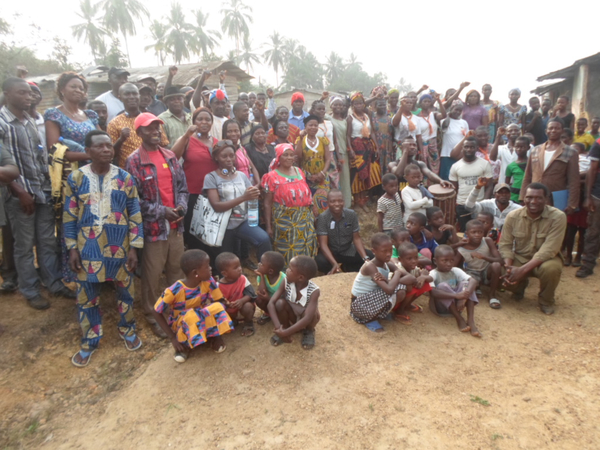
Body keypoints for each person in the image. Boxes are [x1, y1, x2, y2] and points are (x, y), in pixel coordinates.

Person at [64, 130, 144, 367]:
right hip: (87, 247)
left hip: (120, 248)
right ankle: (90, 339)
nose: (107, 150)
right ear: (88, 152)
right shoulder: (76, 179)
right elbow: (69, 216)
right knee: (87, 296)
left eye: (109, 146)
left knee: (125, 292)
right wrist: (72, 248)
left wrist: (134, 248)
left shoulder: (125, 178)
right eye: (100, 146)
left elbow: (135, 214)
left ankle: (127, 329)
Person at [1, 77, 75, 309]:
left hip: (41, 191)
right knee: (24, 246)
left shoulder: (30, 120)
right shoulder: (2, 123)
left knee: (47, 241)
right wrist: (20, 191)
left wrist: (48, 187)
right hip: (19, 194)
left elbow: (39, 157)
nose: (29, 97)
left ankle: (53, 283)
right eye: (22, 93)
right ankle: (30, 289)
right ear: (7, 94)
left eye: (30, 93)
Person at [125, 113, 188, 338]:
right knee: (152, 275)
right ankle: (153, 315)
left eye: (157, 127)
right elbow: (134, 200)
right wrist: (163, 212)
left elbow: (182, 188)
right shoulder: (134, 161)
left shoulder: (170, 155)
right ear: (139, 132)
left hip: (176, 226)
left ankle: (178, 309)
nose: (155, 131)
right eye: (149, 128)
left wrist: (180, 207)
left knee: (176, 270)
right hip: (154, 230)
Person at [153, 250, 233, 363]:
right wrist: (172, 338)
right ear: (195, 272)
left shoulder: (209, 281)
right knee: (190, 316)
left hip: (199, 313)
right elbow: (156, 311)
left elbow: (218, 300)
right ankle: (184, 345)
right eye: (207, 266)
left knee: (218, 307)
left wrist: (226, 303)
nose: (210, 268)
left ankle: (215, 336)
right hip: (182, 321)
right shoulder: (174, 290)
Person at [499, 183, 566, 315]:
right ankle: (519, 288)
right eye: (529, 197)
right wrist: (509, 268)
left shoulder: (558, 217)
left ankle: (546, 301)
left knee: (551, 269)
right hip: (520, 257)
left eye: (538, 198)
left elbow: (550, 249)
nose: (533, 201)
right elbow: (505, 244)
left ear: (546, 199)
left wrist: (522, 270)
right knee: (498, 271)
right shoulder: (513, 216)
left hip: (546, 260)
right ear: (524, 198)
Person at [203, 140, 271, 264]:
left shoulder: (241, 175)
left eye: (232, 155)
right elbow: (217, 206)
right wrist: (243, 197)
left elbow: (251, 195)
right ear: (216, 158)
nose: (229, 159)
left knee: (264, 239)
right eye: (224, 156)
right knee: (226, 261)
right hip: (223, 226)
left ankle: (266, 273)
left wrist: (257, 191)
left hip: (242, 222)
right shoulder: (211, 177)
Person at [170, 107, 218, 252]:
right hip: (192, 194)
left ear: (212, 123)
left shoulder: (216, 142)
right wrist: (186, 135)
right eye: (200, 119)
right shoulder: (187, 140)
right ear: (194, 121)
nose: (204, 122)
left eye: (207, 119)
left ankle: (211, 267)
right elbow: (172, 157)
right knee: (194, 233)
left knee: (211, 231)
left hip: (213, 194)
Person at [262, 144, 317, 265]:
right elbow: (267, 203)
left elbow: (306, 192)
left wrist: (313, 209)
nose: (289, 158)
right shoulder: (271, 176)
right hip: (284, 222)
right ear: (278, 157)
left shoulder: (299, 171)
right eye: (285, 155)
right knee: (287, 252)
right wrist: (268, 226)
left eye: (291, 155)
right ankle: (288, 278)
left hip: (304, 220)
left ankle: (304, 275)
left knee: (305, 250)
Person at [350, 233, 414, 332]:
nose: (388, 254)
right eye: (384, 251)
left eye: (390, 250)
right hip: (359, 304)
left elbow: (411, 278)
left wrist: (390, 280)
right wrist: (397, 273)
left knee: (402, 288)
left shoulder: (388, 264)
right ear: (374, 251)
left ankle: (379, 314)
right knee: (398, 287)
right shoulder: (370, 266)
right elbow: (389, 290)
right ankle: (370, 320)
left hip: (372, 299)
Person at [520, 119, 579, 213]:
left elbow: (574, 180)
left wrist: (572, 204)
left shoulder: (570, 152)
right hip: (534, 198)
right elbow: (527, 175)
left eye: (557, 128)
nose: (553, 131)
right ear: (546, 131)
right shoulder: (536, 150)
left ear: (562, 131)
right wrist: (523, 197)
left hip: (556, 198)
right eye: (551, 128)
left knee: (554, 225)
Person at [107, 83, 169, 168]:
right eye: (127, 94)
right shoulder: (114, 123)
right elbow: (111, 154)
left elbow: (164, 144)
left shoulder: (151, 118)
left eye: (135, 93)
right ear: (120, 98)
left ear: (139, 96)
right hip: (130, 171)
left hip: (155, 167)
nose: (131, 97)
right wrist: (121, 140)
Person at [267, 255, 320, 349]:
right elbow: (271, 303)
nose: (286, 270)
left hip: (305, 318)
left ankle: (309, 331)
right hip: (292, 314)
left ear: (300, 278)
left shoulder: (314, 291)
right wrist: (278, 328)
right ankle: (285, 326)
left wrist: (285, 333)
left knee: (313, 314)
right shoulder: (286, 281)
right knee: (279, 303)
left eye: (290, 269)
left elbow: (307, 318)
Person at [315, 189, 373, 274]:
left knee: (371, 256)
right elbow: (323, 245)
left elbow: (356, 238)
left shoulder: (351, 214)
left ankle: (347, 267)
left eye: (340, 201)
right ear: (327, 203)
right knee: (319, 261)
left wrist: (365, 259)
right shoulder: (323, 218)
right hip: (331, 252)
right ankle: (333, 269)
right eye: (333, 201)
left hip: (347, 250)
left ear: (344, 202)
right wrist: (334, 263)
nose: (337, 204)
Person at [429, 245, 481, 337]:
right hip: (442, 307)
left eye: (451, 260)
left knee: (467, 283)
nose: (449, 264)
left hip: (458, 304)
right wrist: (457, 296)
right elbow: (433, 292)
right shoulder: (433, 273)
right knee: (442, 286)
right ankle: (459, 318)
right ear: (435, 261)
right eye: (444, 260)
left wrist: (463, 297)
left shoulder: (455, 270)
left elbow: (473, 281)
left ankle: (471, 321)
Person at [44, 72, 99, 159]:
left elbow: (102, 140)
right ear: (62, 90)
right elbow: (54, 150)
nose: (78, 90)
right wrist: (89, 156)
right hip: (71, 169)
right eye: (73, 87)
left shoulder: (90, 115)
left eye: (81, 89)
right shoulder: (54, 115)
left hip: (96, 166)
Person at [455, 219, 503, 309]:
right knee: (469, 279)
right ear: (467, 233)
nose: (477, 235)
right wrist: (457, 244)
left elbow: (500, 260)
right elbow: (454, 266)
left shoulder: (487, 241)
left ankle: (492, 295)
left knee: (496, 265)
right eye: (473, 232)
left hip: (486, 271)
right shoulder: (462, 248)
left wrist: (483, 257)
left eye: (480, 232)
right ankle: (476, 288)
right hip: (472, 272)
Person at [449, 136, 493, 231]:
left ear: (477, 148)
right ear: (463, 148)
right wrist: (453, 208)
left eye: (472, 147)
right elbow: (453, 189)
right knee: (464, 232)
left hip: (479, 204)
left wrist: (485, 202)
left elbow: (489, 186)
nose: (469, 149)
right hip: (462, 205)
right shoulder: (455, 166)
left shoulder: (485, 164)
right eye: (466, 147)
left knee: (480, 231)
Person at [346, 92, 381, 207]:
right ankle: (357, 200)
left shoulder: (367, 116)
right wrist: (350, 149)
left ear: (364, 104)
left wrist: (376, 147)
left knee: (368, 171)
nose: (359, 105)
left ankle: (364, 199)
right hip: (357, 148)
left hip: (368, 147)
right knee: (357, 172)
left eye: (361, 103)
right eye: (356, 103)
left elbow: (373, 133)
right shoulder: (350, 118)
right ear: (352, 105)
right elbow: (348, 135)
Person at [295, 114, 331, 215]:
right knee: (308, 204)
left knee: (322, 202)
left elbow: (328, 159)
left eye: (315, 125)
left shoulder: (323, 140)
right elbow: (298, 157)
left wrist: (322, 173)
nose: (313, 127)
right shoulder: (300, 140)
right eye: (310, 125)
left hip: (322, 178)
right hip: (306, 178)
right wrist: (301, 138)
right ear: (305, 126)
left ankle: (322, 226)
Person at [215, 252, 257, 337]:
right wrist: (226, 304)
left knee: (248, 306)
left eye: (239, 266)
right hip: (229, 312)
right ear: (224, 273)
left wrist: (241, 301)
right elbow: (217, 301)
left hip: (242, 310)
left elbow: (251, 294)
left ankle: (248, 323)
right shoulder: (218, 286)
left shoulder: (243, 279)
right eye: (235, 268)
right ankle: (233, 321)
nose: (239, 269)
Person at [393, 242, 433, 324]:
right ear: (400, 259)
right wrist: (418, 278)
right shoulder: (398, 269)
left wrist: (423, 277)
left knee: (425, 283)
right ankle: (399, 311)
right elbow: (408, 287)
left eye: (416, 258)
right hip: (394, 299)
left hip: (404, 297)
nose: (414, 261)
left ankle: (407, 305)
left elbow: (430, 279)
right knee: (410, 286)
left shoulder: (414, 268)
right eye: (409, 258)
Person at [577, 138, 600, 278]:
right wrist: (588, 196)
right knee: (593, 232)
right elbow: (592, 168)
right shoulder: (599, 142)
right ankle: (587, 265)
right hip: (598, 195)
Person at [328, 96, 352, 208]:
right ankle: (333, 204)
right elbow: (312, 113)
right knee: (334, 180)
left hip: (343, 153)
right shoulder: (327, 118)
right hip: (331, 153)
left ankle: (346, 205)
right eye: (335, 104)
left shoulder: (346, 121)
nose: (338, 107)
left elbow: (347, 137)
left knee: (344, 180)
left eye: (341, 105)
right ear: (331, 106)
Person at [417, 93, 446, 174]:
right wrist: (421, 150)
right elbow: (418, 135)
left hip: (433, 144)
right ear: (420, 103)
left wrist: (439, 101)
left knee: (435, 164)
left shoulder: (433, 114)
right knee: (424, 165)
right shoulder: (417, 117)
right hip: (423, 144)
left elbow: (444, 115)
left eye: (428, 101)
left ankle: (434, 183)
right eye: (424, 101)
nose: (426, 103)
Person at [254, 251, 286, 325]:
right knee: (258, 300)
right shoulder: (262, 275)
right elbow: (261, 293)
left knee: (280, 304)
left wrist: (269, 298)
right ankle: (269, 314)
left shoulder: (283, 280)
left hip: (280, 304)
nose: (259, 264)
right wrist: (261, 276)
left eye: (261, 263)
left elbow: (286, 300)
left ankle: (280, 317)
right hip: (268, 301)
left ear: (270, 271)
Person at [440, 103, 469, 180]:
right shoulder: (444, 121)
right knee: (447, 178)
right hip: (447, 154)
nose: (458, 112)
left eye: (460, 110)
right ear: (451, 109)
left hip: (460, 155)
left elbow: (467, 137)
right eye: (456, 109)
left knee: (459, 178)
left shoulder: (464, 122)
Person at [505, 136, 530, 202]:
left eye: (522, 147)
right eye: (517, 147)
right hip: (514, 194)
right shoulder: (511, 166)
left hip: (528, 192)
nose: (519, 149)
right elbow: (506, 183)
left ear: (528, 148)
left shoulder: (532, 163)